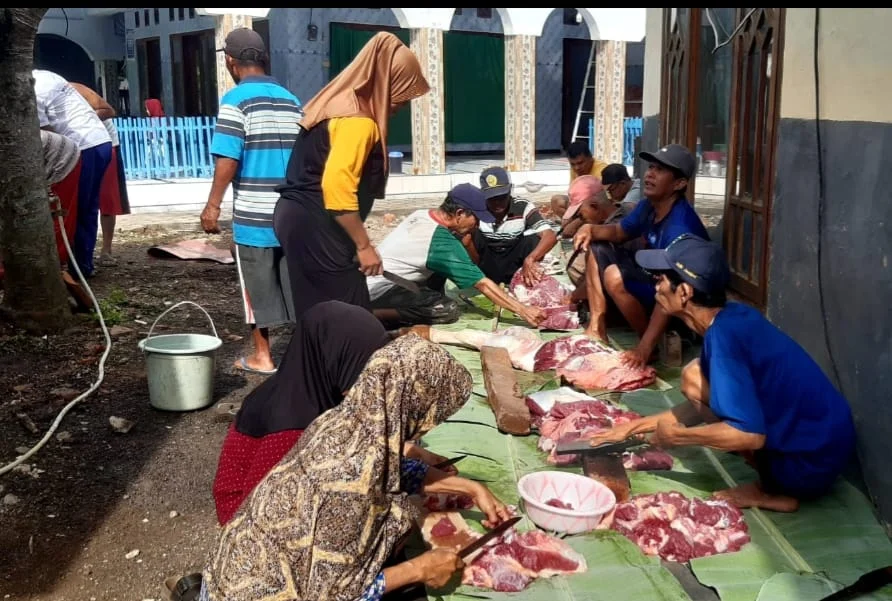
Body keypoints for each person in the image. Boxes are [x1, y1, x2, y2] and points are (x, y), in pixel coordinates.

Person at [199, 333, 512, 601]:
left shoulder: (345, 420)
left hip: (230, 573)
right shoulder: (346, 489)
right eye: (432, 414)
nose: (429, 425)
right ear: (413, 405)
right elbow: (338, 596)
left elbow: (385, 469)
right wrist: (420, 569)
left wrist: (470, 487)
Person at [587, 236, 857, 513]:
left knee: (696, 380)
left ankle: (772, 492)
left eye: (661, 279)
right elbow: (702, 405)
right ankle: (774, 476)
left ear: (684, 293)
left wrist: (680, 438)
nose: (655, 285)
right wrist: (631, 428)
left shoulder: (724, 339)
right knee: (695, 376)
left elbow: (751, 436)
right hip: (828, 441)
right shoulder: (731, 317)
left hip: (809, 463)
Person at [212, 301, 459, 526]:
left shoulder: (306, 388)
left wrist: (415, 459)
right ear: (334, 359)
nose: (370, 382)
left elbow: (359, 449)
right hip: (252, 523)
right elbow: (265, 517)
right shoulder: (292, 425)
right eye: (361, 369)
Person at [273, 32, 431, 319]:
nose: (400, 108)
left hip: (300, 221)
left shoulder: (337, 106)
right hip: (316, 226)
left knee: (319, 315)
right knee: (350, 318)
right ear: (385, 84)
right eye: (402, 97)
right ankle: (335, 364)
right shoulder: (358, 121)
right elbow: (336, 186)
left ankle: (314, 363)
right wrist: (364, 245)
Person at [200, 28, 303, 375]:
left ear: (230, 61)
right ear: (264, 59)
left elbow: (228, 158)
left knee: (256, 287)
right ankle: (305, 354)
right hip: (292, 213)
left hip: (254, 216)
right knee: (294, 285)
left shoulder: (235, 101)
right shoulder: (291, 100)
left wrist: (212, 205)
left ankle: (263, 355)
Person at [573, 144, 709, 366]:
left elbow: (672, 290)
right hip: (655, 280)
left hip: (682, 300)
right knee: (597, 246)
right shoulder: (649, 205)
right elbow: (618, 232)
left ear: (680, 183)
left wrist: (642, 349)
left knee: (614, 277)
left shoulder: (680, 228)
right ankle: (598, 326)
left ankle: (650, 346)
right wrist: (590, 229)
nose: (650, 174)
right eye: (651, 167)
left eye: (660, 170)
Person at [368, 184, 546, 329]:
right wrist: (523, 310)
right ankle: (373, 314)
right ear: (460, 214)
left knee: (439, 271)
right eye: (476, 219)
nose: (476, 226)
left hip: (381, 278)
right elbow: (482, 283)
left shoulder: (422, 214)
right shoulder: (440, 241)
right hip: (380, 290)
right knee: (446, 309)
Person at [33, 69, 113, 278]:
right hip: (100, 141)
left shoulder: (33, 88)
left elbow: (46, 133)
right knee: (86, 207)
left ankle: (74, 267)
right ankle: (82, 265)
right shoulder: (47, 76)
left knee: (72, 208)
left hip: (82, 146)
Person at [69, 82, 131, 267]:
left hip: (105, 145)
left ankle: (106, 249)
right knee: (81, 202)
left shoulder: (78, 93)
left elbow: (108, 111)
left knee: (107, 201)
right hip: (77, 148)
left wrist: (83, 119)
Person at [465, 167, 558, 286]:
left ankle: (525, 279)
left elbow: (549, 236)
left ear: (510, 191)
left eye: (502, 197)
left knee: (533, 239)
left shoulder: (523, 206)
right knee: (469, 235)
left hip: (514, 260)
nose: (497, 203)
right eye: (492, 198)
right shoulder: (476, 209)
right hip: (486, 260)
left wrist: (530, 259)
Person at [549, 140, 609, 211]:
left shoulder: (603, 170)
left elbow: (602, 199)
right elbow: (571, 193)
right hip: (580, 204)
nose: (576, 168)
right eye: (573, 164)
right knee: (556, 200)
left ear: (590, 158)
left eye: (580, 163)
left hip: (597, 206)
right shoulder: (575, 169)